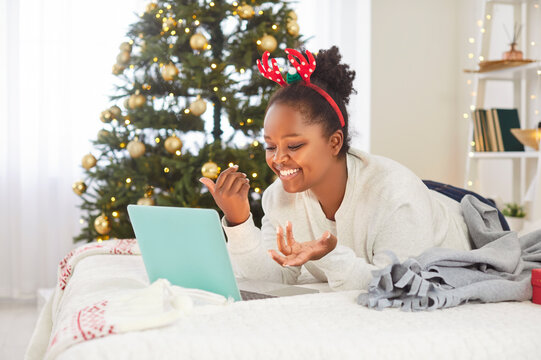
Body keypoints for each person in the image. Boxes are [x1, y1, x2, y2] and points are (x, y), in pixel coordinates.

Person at [199, 46, 506, 291]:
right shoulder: (279, 197)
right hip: (394, 190)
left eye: (293, 146)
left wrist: (331, 257)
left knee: (412, 195)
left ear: (334, 142)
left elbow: (394, 283)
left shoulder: (395, 195)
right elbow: (274, 278)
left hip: (454, 214)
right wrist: (238, 220)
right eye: (270, 145)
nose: (278, 159)